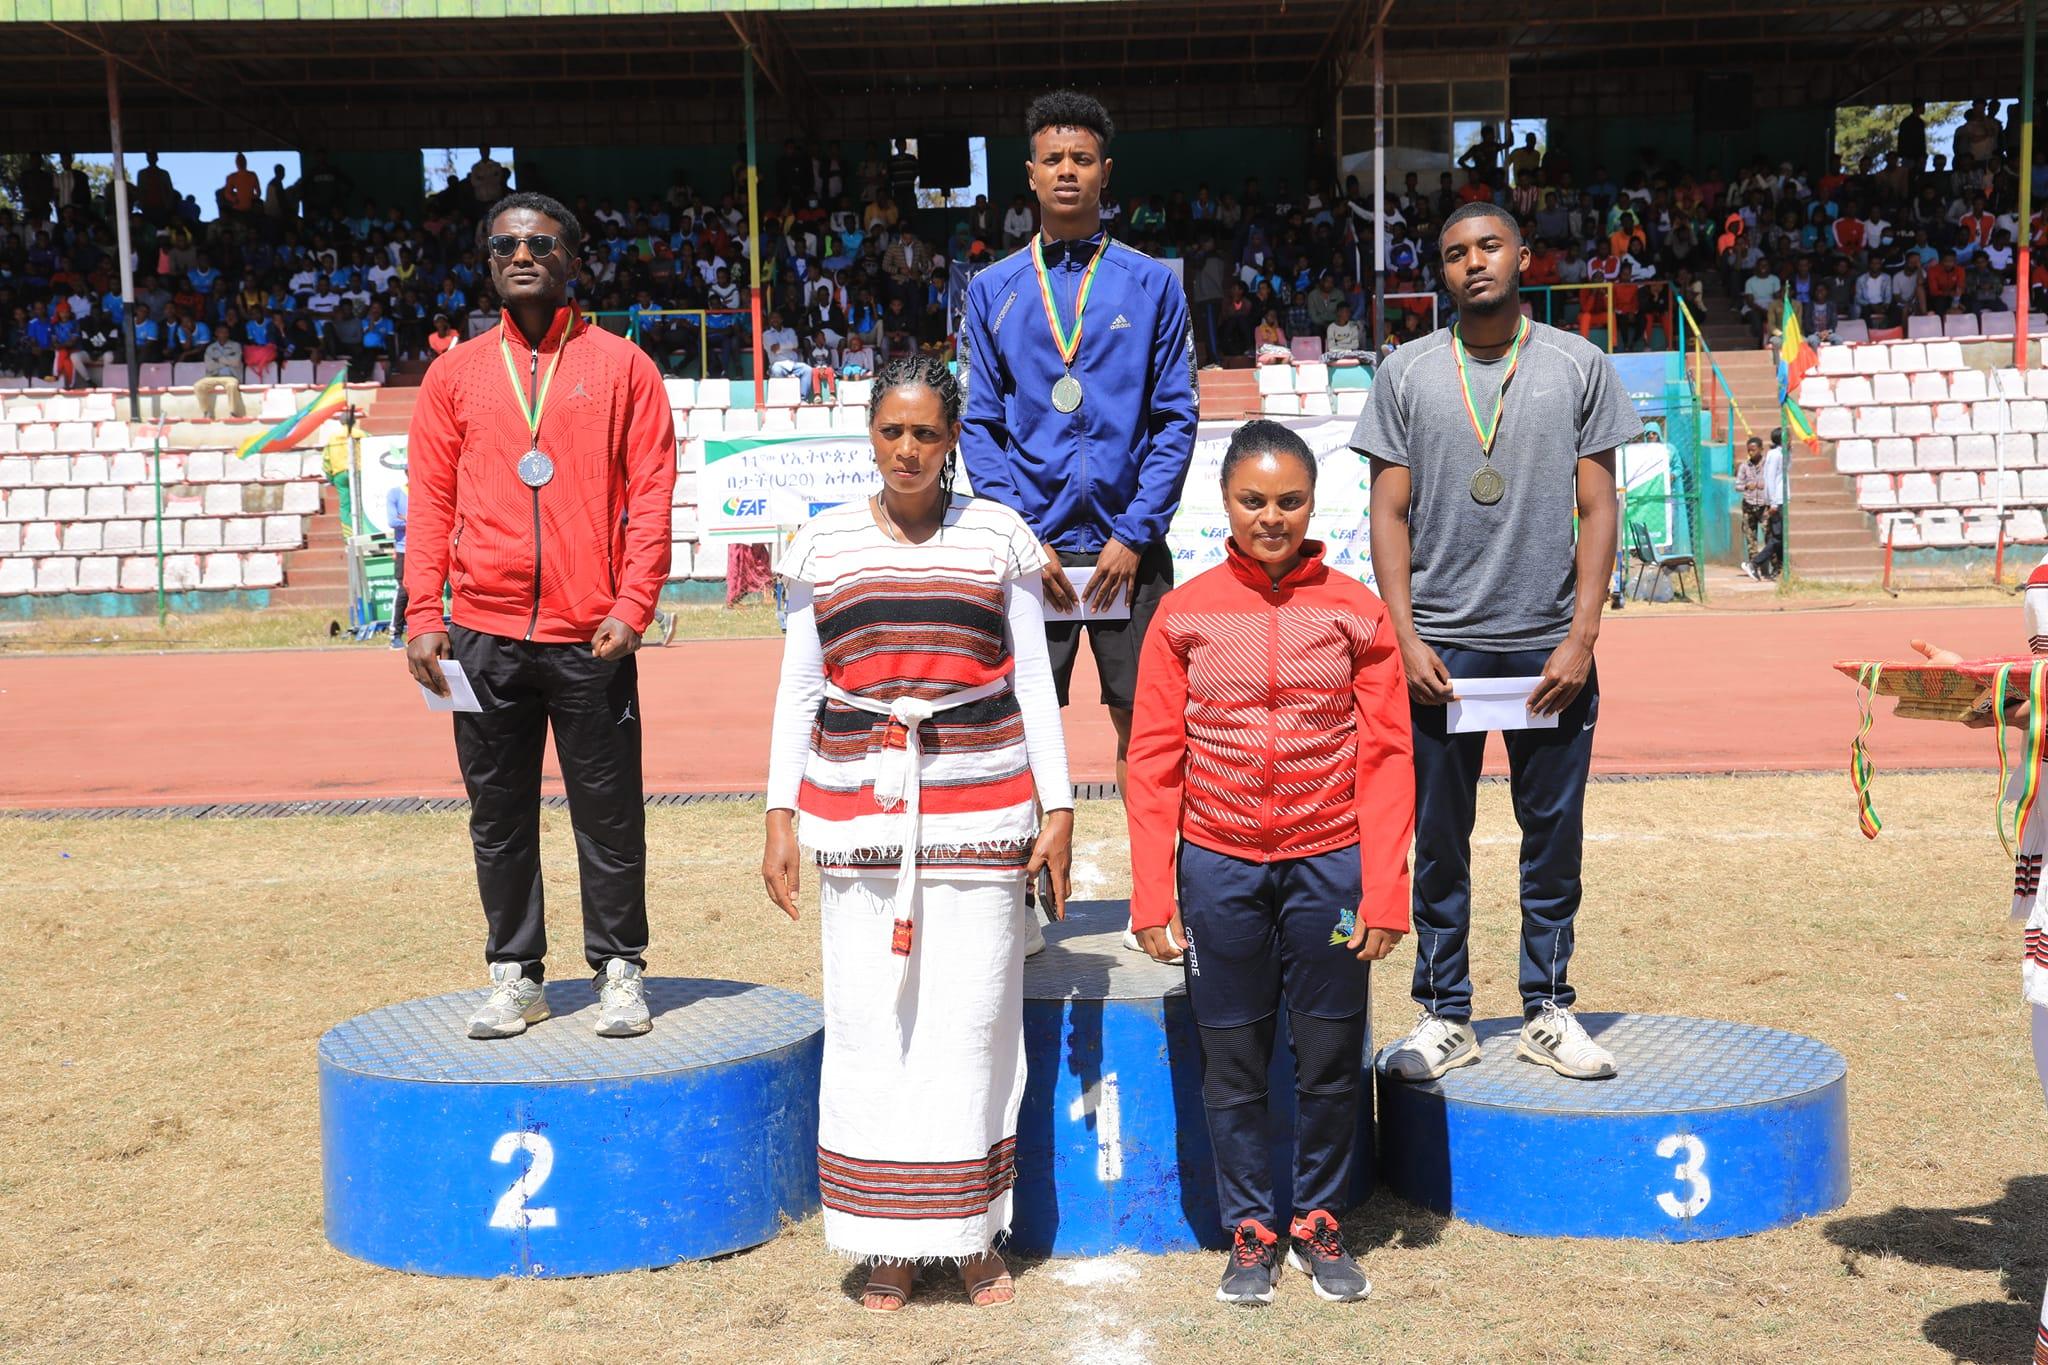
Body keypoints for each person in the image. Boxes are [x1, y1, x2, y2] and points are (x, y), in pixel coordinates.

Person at [762, 355, 1074, 1312]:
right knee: (870, 1024)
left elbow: (1031, 681)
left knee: (972, 1023)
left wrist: (1057, 807)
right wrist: (780, 811)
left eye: (926, 433)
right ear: (870, 434)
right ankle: (887, 1240)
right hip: (858, 814)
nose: (909, 450)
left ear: (953, 440)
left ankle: (972, 1234)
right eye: (892, 431)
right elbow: (803, 690)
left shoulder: (999, 539)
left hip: (983, 808)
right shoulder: (821, 546)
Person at [1125, 420, 1413, 1306]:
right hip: (1221, 868)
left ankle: (1320, 1219)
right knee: (1235, 1057)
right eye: (1254, 501)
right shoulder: (1185, 612)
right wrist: (1150, 887)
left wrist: (1384, 888)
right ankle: (1249, 1227)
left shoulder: (1355, 610)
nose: (1272, 517)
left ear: (1313, 503)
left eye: (1289, 500)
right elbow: (1153, 756)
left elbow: (1389, 753)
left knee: (1328, 1058)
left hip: (1327, 865)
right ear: (1226, 504)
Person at [1356, 201, 1641, 1083]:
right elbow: (1388, 513)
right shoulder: (1404, 373)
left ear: (1522, 254)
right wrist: (1403, 637)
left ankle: (1548, 1006)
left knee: (1550, 834)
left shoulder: (1578, 364)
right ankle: (1444, 1014)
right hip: (1440, 651)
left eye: (1488, 245)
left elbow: (1599, 508)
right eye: (1454, 254)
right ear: (1439, 271)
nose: (1473, 262)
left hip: (1547, 649)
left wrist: (1582, 636)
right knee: (1440, 836)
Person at [402, 191, 677, 1041]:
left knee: (608, 809)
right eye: (506, 244)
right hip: (482, 633)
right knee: (498, 814)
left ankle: (620, 968)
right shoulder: (453, 375)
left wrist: (635, 604)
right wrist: (422, 609)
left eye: (541, 241)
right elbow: (432, 499)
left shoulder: (624, 366)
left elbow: (654, 495)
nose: (523, 254)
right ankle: (516, 972)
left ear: (573, 257)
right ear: (488, 262)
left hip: (589, 633)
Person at [960, 90, 1198, 956]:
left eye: (1083, 158)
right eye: (1052, 159)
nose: (1067, 171)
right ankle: (1019, 909)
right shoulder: (990, 290)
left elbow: (1174, 418)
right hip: (1035, 561)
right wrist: (1020, 538)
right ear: (1029, 175)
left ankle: (1155, 905)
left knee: (1151, 735)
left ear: (1106, 172)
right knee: (1018, 731)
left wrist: (1136, 534)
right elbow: (980, 425)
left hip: (1130, 556)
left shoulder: (1150, 283)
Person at [1743, 428, 1786, 581]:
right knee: (1777, 537)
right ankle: (1755, 563)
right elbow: (1770, 479)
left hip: (1783, 500)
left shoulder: (1784, 453)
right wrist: (1772, 502)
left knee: (1779, 537)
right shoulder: (1774, 456)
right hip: (1776, 501)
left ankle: (1778, 569)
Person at [1734, 435, 1768, 560]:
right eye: (1749, 450)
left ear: (1761, 449)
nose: (1751, 453)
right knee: (1750, 537)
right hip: (1749, 505)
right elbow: (1738, 485)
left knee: (1768, 535)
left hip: (1764, 505)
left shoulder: (1767, 464)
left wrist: (1763, 485)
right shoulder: (1744, 466)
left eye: (1753, 450)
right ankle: (1754, 563)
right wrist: (1747, 486)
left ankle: (1774, 565)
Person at [386, 477, 409, 650]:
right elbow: (393, 521)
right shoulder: (395, 493)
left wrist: (406, 518)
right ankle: (395, 634)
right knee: (403, 591)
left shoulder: (424, 492)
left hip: (425, 549)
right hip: (403, 550)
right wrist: (417, 519)